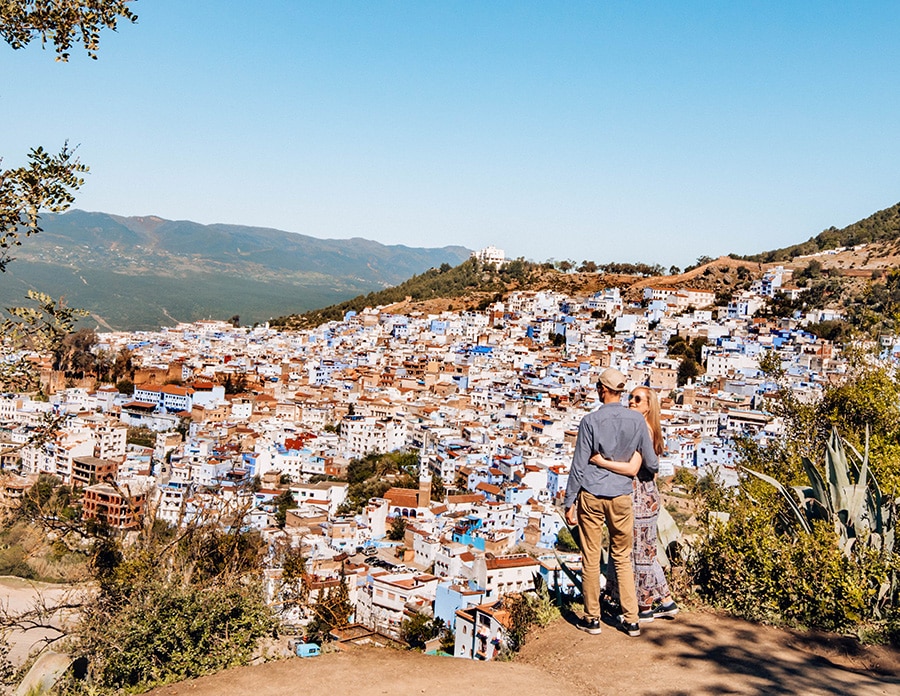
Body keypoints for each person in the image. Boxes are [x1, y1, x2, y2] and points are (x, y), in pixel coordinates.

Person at [564, 368, 658, 637]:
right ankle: (631, 619)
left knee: (591, 557)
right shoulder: (637, 421)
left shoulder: (590, 421)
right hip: (621, 495)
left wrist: (569, 501)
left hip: (592, 494)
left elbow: (579, 465)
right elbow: (651, 462)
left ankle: (592, 618)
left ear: (602, 390)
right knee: (622, 557)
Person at [592, 386, 679, 621]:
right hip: (644, 495)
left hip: (640, 497)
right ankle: (666, 601)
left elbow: (632, 468)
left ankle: (645, 607)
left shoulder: (646, 430)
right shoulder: (644, 428)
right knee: (644, 552)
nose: (631, 401)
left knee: (639, 554)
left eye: (638, 399)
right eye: (630, 397)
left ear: (649, 406)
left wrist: (601, 462)